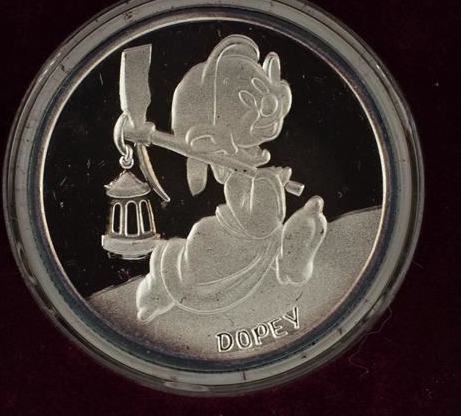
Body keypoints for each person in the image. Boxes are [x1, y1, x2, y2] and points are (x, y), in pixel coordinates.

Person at [135, 36, 327, 322]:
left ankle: (288, 255)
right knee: (260, 228)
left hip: (239, 234)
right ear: (209, 135)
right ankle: (288, 256)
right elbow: (254, 210)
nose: (270, 110)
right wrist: (269, 181)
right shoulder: (230, 165)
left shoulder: (242, 159)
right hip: (230, 236)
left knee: (277, 226)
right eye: (248, 100)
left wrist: (270, 179)